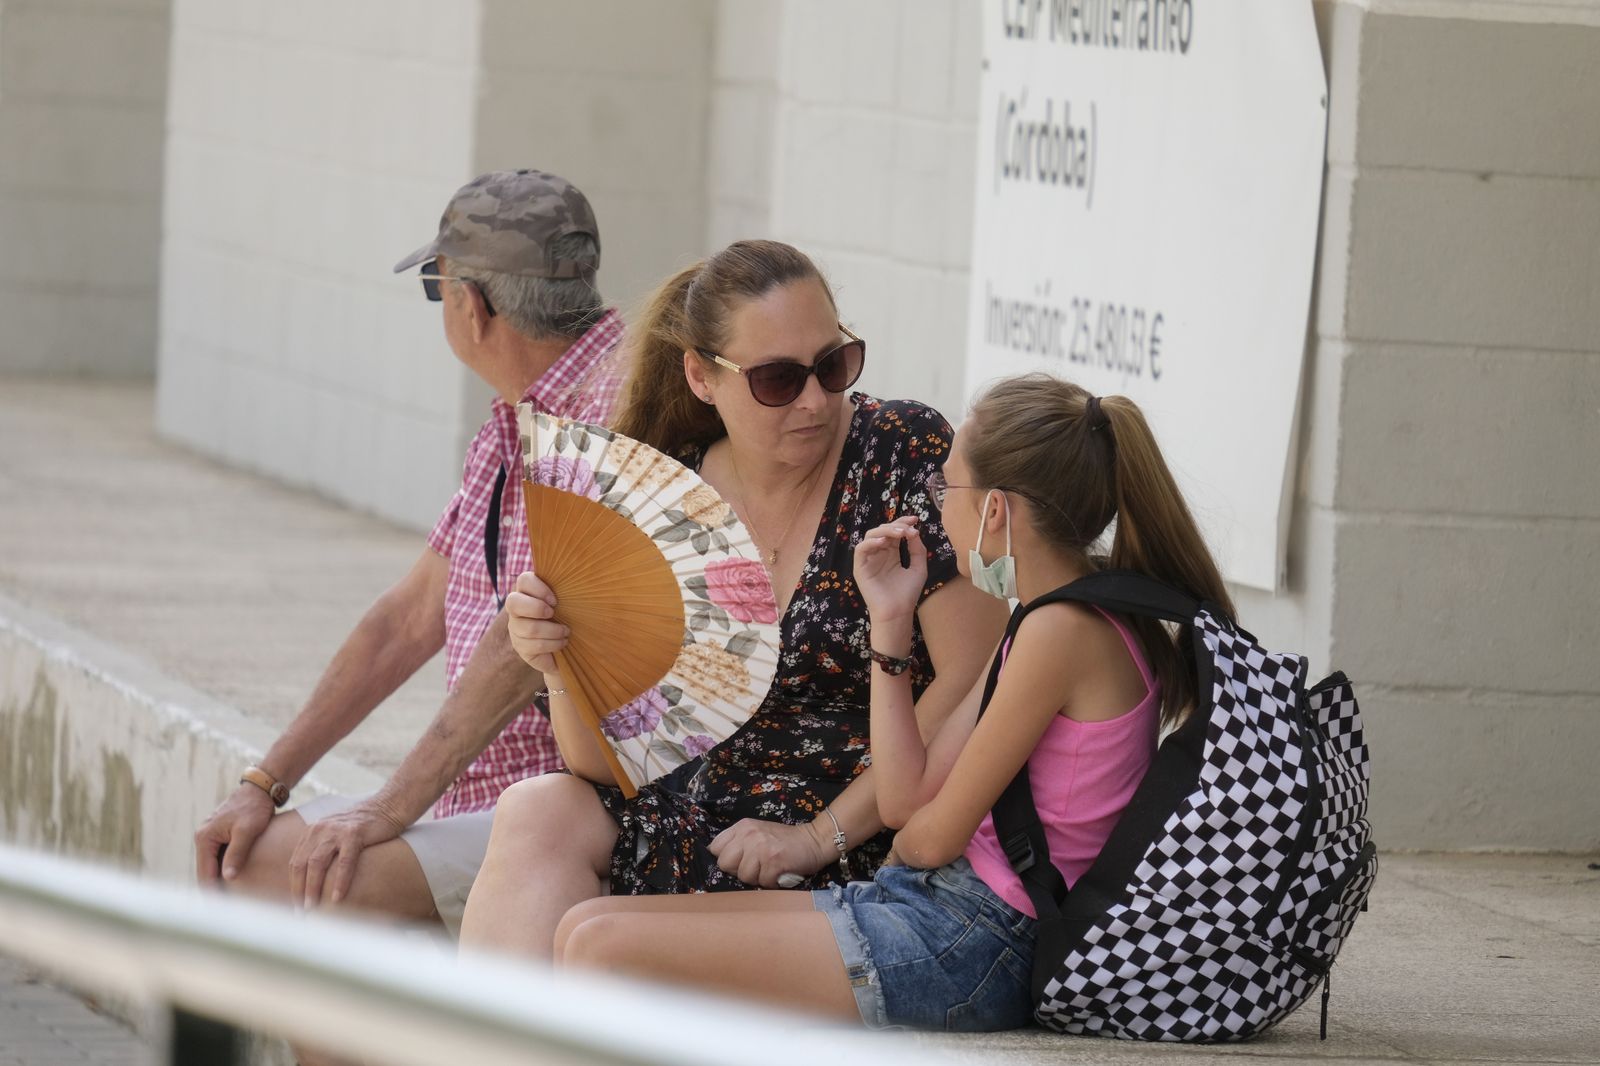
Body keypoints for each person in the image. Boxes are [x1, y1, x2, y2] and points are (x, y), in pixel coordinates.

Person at [549, 372, 1238, 1032]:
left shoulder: (1061, 634)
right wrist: (890, 626)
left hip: (977, 940)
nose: (936, 503)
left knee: (600, 947)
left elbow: (928, 834)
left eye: (948, 484)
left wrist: (906, 843)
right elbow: (908, 797)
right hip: (937, 910)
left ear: (995, 509)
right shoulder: (1046, 618)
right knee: (582, 929)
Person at [457, 240, 1008, 956]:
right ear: (701, 377)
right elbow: (602, 764)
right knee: (537, 809)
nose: (815, 399)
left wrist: (816, 836)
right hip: (705, 831)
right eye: (778, 380)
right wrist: (561, 664)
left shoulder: (899, 450)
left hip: (860, 846)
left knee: (593, 940)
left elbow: (973, 679)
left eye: (832, 365)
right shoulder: (663, 497)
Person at [193, 169, 625, 933]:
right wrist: (266, 780)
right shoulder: (521, 418)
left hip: (568, 809)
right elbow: (411, 615)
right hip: (488, 797)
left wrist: (388, 809)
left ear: (473, 304)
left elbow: (521, 648)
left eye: (438, 283)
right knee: (277, 859)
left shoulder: (606, 414)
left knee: (285, 875)